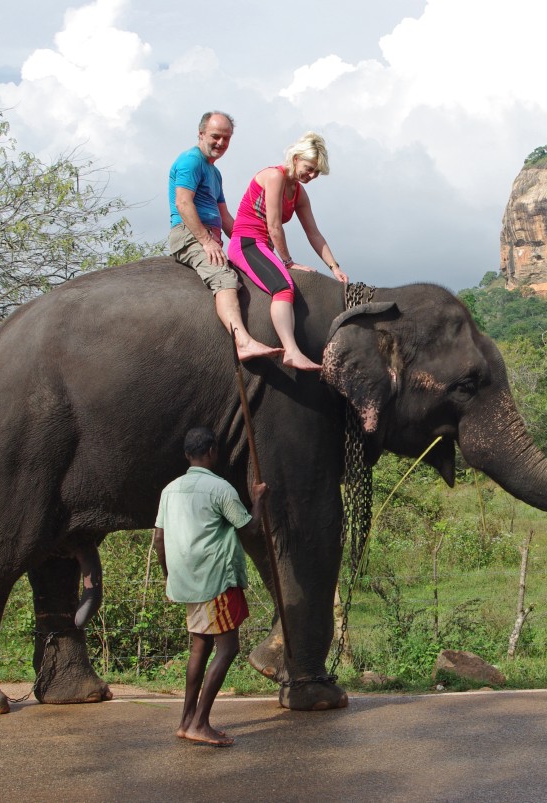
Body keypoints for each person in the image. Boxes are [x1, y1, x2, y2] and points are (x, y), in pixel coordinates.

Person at [153, 426, 268, 746]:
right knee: (228, 648)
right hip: (215, 581)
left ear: (188, 455)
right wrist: (258, 500)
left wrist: (170, 575)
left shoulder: (169, 490)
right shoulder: (221, 489)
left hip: (187, 581)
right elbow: (252, 531)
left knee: (200, 647)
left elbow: (160, 539)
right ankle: (199, 722)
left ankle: (187, 721)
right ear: (213, 451)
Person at [227, 131, 349, 372]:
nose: (312, 175)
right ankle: (291, 352)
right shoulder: (274, 176)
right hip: (247, 242)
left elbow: (314, 233)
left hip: (264, 246)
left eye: (317, 172)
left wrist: (335, 267)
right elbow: (273, 224)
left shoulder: (299, 193)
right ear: (295, 158)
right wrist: (288, 262)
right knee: (284, 287)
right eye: (309, 168)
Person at [168, 111, 280, 362]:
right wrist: (205, 241)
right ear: (201, 134)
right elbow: (183, 203)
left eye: (226, 138)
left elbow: (226, 217)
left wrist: (253, 244)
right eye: (215, 136)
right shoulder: (190, 161)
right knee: (223, 276)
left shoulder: (214, 173)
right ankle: (243, 342)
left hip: (211, 235)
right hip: (189, 234)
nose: (221, 143)